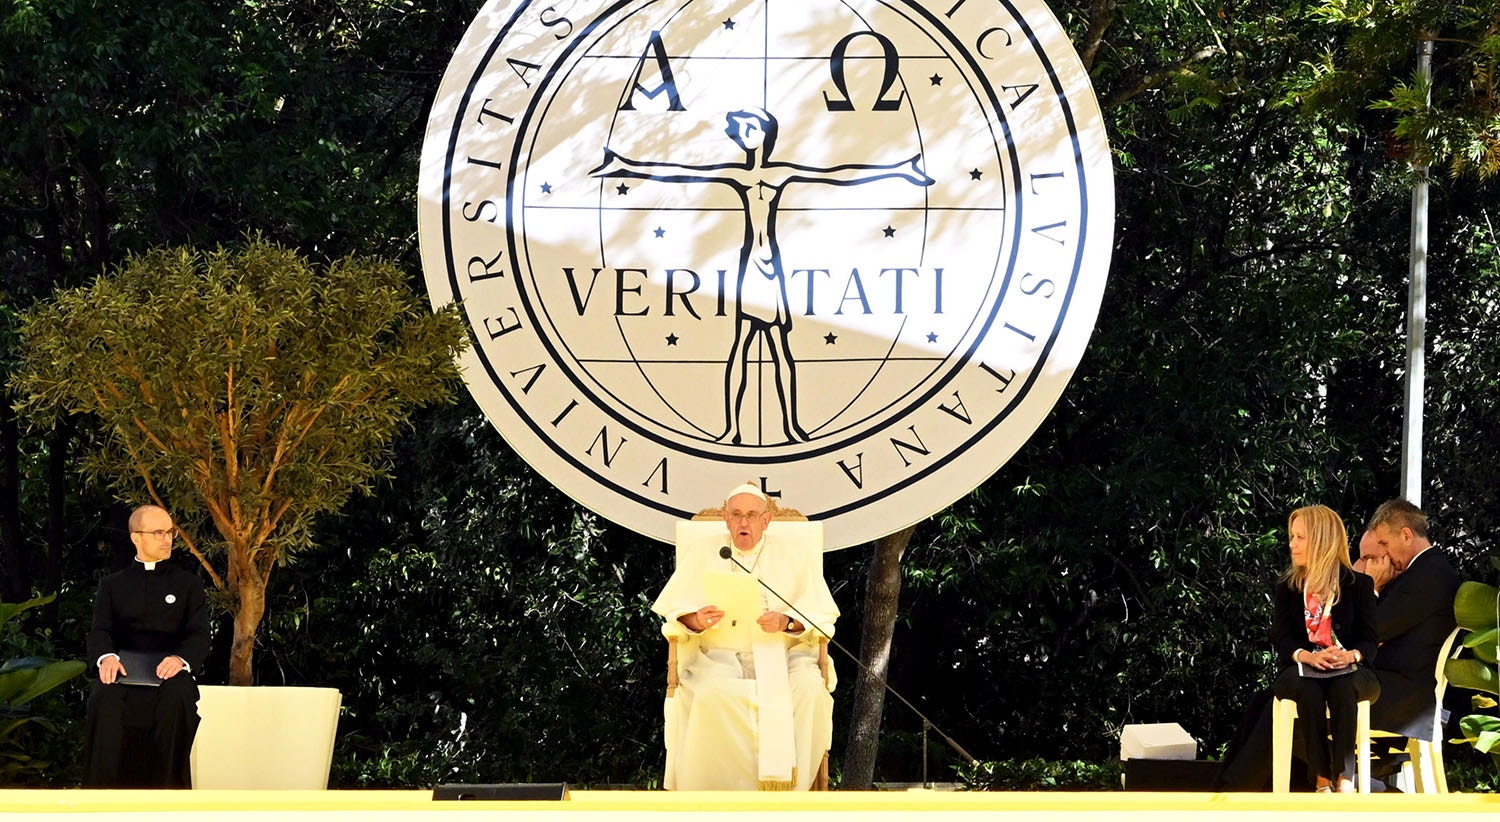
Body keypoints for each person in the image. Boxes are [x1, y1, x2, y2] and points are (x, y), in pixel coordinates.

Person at [651, 483, 839, 790]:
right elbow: (674, 611)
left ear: (765, 521)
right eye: (736, 515)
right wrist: (695, 619)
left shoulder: (793, 556)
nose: (743, 523)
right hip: (720, 656)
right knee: (709, 694)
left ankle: (793, 797)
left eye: (752, 515)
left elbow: (821, 615)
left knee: (808, 689)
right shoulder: (704, 553)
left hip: (785, 655)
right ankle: (716, 799)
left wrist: (787, 622)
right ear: (725, 518)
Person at [83, 504, 209, 787]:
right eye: (158, 533)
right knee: (103, 698)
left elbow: (199, 634)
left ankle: (167, 794)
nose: (167, 539)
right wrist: (107, 658)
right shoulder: (112, 585)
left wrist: (181, 659)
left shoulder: (188, 584)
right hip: (124, 671)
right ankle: (101, 796)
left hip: (170, 674)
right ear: (136, 538)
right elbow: (101, 630)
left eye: (170, 532)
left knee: (178, 697)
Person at [1270, 504, 1380, 792]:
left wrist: (1351, 655)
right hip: (1302, 668)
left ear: (1321, 539)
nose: (1291, 544)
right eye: (1291, 536)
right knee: (1307, 688)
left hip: (1351, 668)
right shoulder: (1288, 586)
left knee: (1343, 687)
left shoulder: (1359, 584)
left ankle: (1345, 777)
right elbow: (1282, 638)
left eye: (1299, 537)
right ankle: (1320, 777)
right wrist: (1306, 656)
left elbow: (1369, 640)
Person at [1359, 499, 1460, 740]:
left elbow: (1370, 631)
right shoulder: (1426, 570)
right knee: (1282, 703)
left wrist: (1372, 587)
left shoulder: (1426, 575)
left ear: (1406, 535)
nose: (1384, 553)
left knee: (1298, 704)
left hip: (1400, 699)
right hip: (1393, 689)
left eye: (1384, 542)